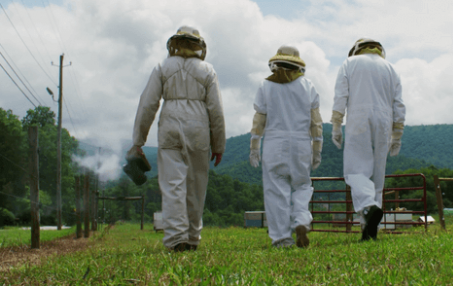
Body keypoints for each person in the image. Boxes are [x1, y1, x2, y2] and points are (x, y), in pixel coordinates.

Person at [131, 26, 226, 252]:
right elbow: (216, 110)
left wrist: (138, 141)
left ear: (175, 43)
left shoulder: (162, 67)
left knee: (172, 185)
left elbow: (148, 105)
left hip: (170, 125)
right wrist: (219, 144)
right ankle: (192, 238)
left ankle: (176, 238)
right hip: (199, 127)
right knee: (196, 185)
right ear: (198, 46)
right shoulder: (208, 70)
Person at [331, 38, 405, 241]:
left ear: (356, 50)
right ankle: (370, 229)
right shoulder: (391, 68)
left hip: (359, 117)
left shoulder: (349, 64)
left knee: (355, 171)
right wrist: (397, 134)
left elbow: (340, 96)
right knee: (378, 177)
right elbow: (399, 104)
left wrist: (337, 124)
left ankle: (367, 207)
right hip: (384, 120)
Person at [249, 45, 323, 248]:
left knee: (276, 189)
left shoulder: (266, 86)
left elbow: (259, 120)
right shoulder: (308, 86)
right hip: (301, 142)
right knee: (302, 185)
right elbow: (315, 123)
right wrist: (317, 149)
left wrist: (254, 146)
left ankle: (282, 238)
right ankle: (300, 220)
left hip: (274, 141)